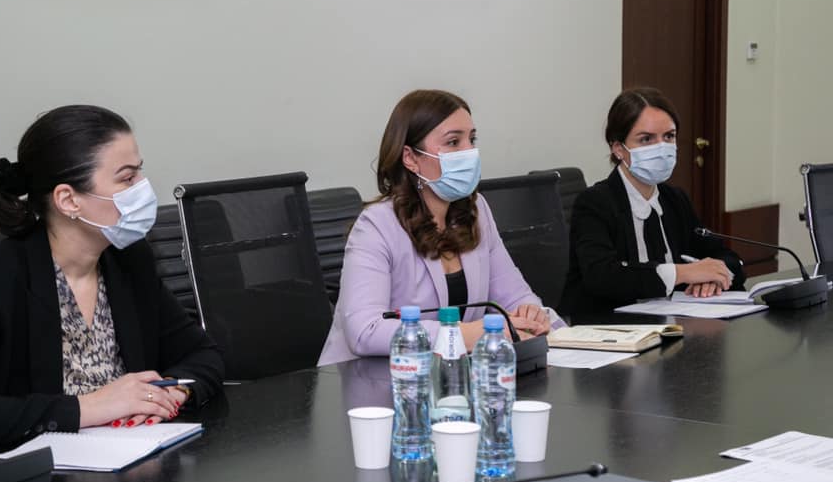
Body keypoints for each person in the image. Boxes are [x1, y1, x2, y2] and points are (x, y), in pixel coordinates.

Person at [0, 105, 224, 449]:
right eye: (127, 178)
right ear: (68, 200)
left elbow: (203, 354)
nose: (143, 188)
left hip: (137, 461)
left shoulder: (128, 260)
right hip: (44, 473)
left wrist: (172, 392)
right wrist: (88, 408)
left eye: (139, 173)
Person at [318, 89, 559, 367]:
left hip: (449, 375)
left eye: (472, 139)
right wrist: (469, 334)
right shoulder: (376, 225)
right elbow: (364, 331)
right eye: (453, 142)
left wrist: (534, 317)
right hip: (369, 380)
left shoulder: (476, 210)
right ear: (410, 157)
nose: (469, 152)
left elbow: (515, 296)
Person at [559, 87, 745, 318]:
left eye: (669, 136)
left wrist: (713, 277)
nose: (661, 147)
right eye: (646, 139)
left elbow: (724, 256)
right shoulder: (594, 203)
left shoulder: (674, 199)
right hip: (610, 327)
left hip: (674, 323)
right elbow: (602, 276)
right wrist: (683, 273)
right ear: (618, 149)